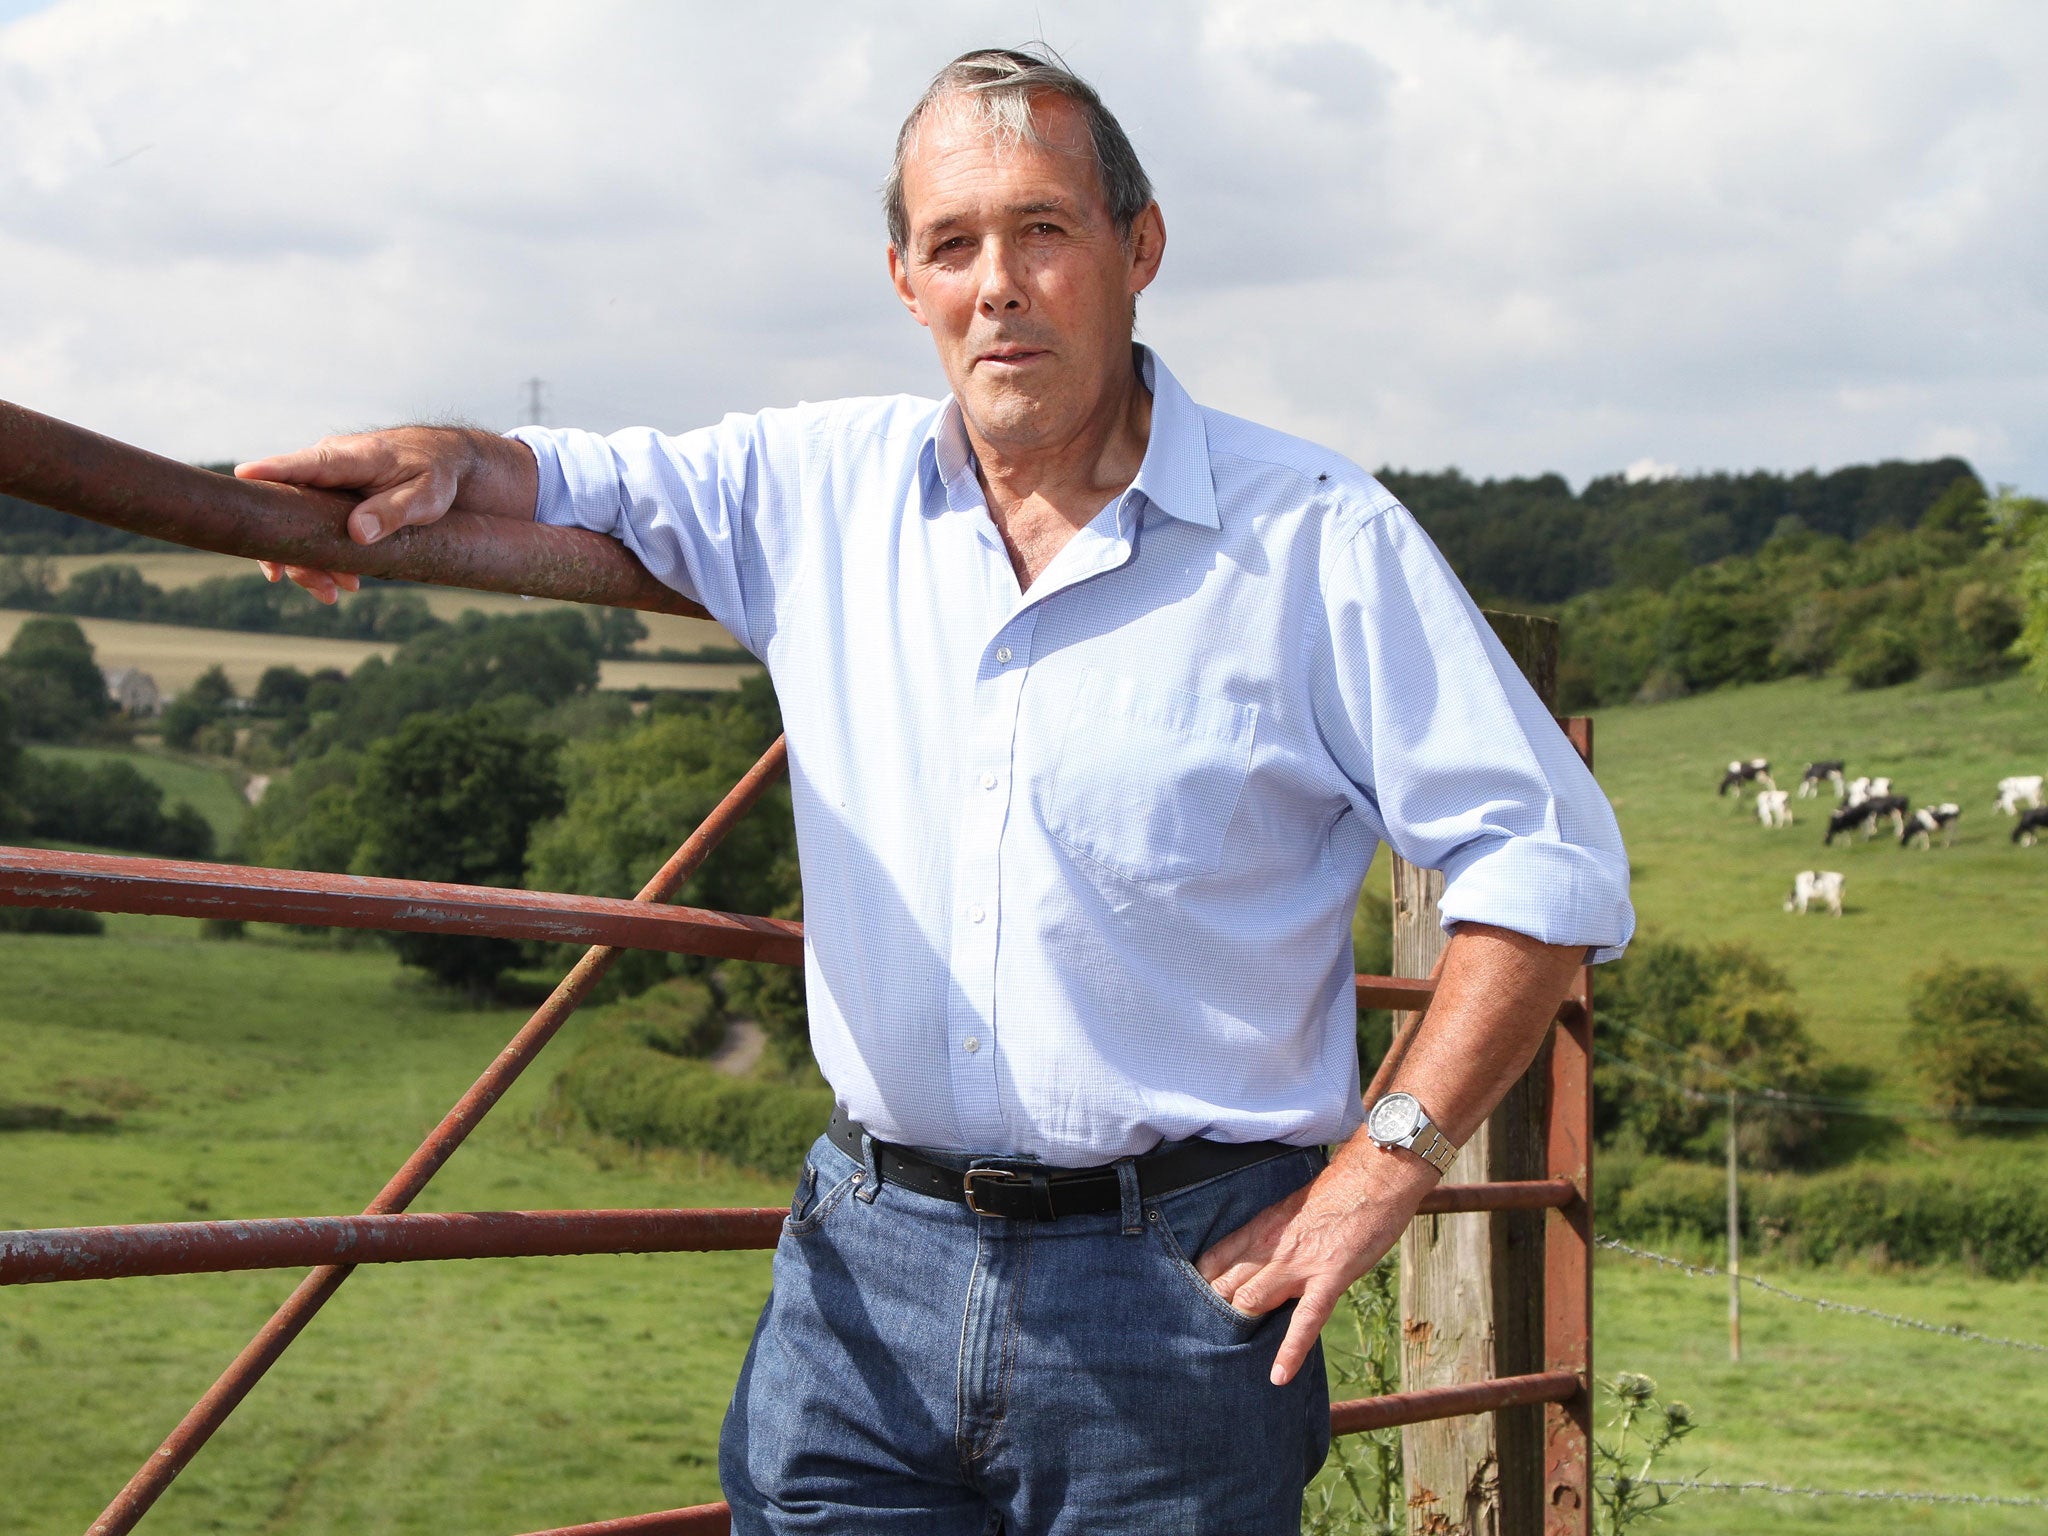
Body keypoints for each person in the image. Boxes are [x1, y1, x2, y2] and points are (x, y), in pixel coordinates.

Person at [239, 45, 1632, 1536]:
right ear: (904, 278)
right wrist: (445, 458)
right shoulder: (816, 487)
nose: (1000, 284)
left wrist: (1383, 1170)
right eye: (953, 243)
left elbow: (1543, 866)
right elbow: (572, 478)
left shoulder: (1314, 538)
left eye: (1044, 228)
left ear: (1137, 247)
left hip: (1175, 1287)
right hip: (865, 1268)